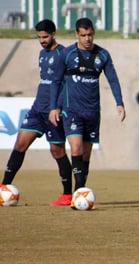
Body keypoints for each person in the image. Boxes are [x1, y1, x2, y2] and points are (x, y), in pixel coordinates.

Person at [49, 17, 126, 195]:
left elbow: (113, 79)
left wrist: (119, 103)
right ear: (77, 34)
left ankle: (80, 190)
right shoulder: (67, 54)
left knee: (85, 154)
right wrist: (54, 107)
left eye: (90, 34)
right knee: (75, 147)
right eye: (83, 35)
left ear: (94, 33)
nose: (87, 39)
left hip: (92, 112)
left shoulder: (103, 55)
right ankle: (78, 192)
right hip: (72, 110)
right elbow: (56, 82)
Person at [1, 19, 73, 206]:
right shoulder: (42, 54)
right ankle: (4, 186)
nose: (42, 40)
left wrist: (57, 107)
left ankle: (67, 195)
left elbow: (66, 85)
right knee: (20, 143)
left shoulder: (63, 54)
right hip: (36, 110)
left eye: (45, 36)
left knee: (56, 150)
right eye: (39, 37)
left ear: (53, 34)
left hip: (53, 111)